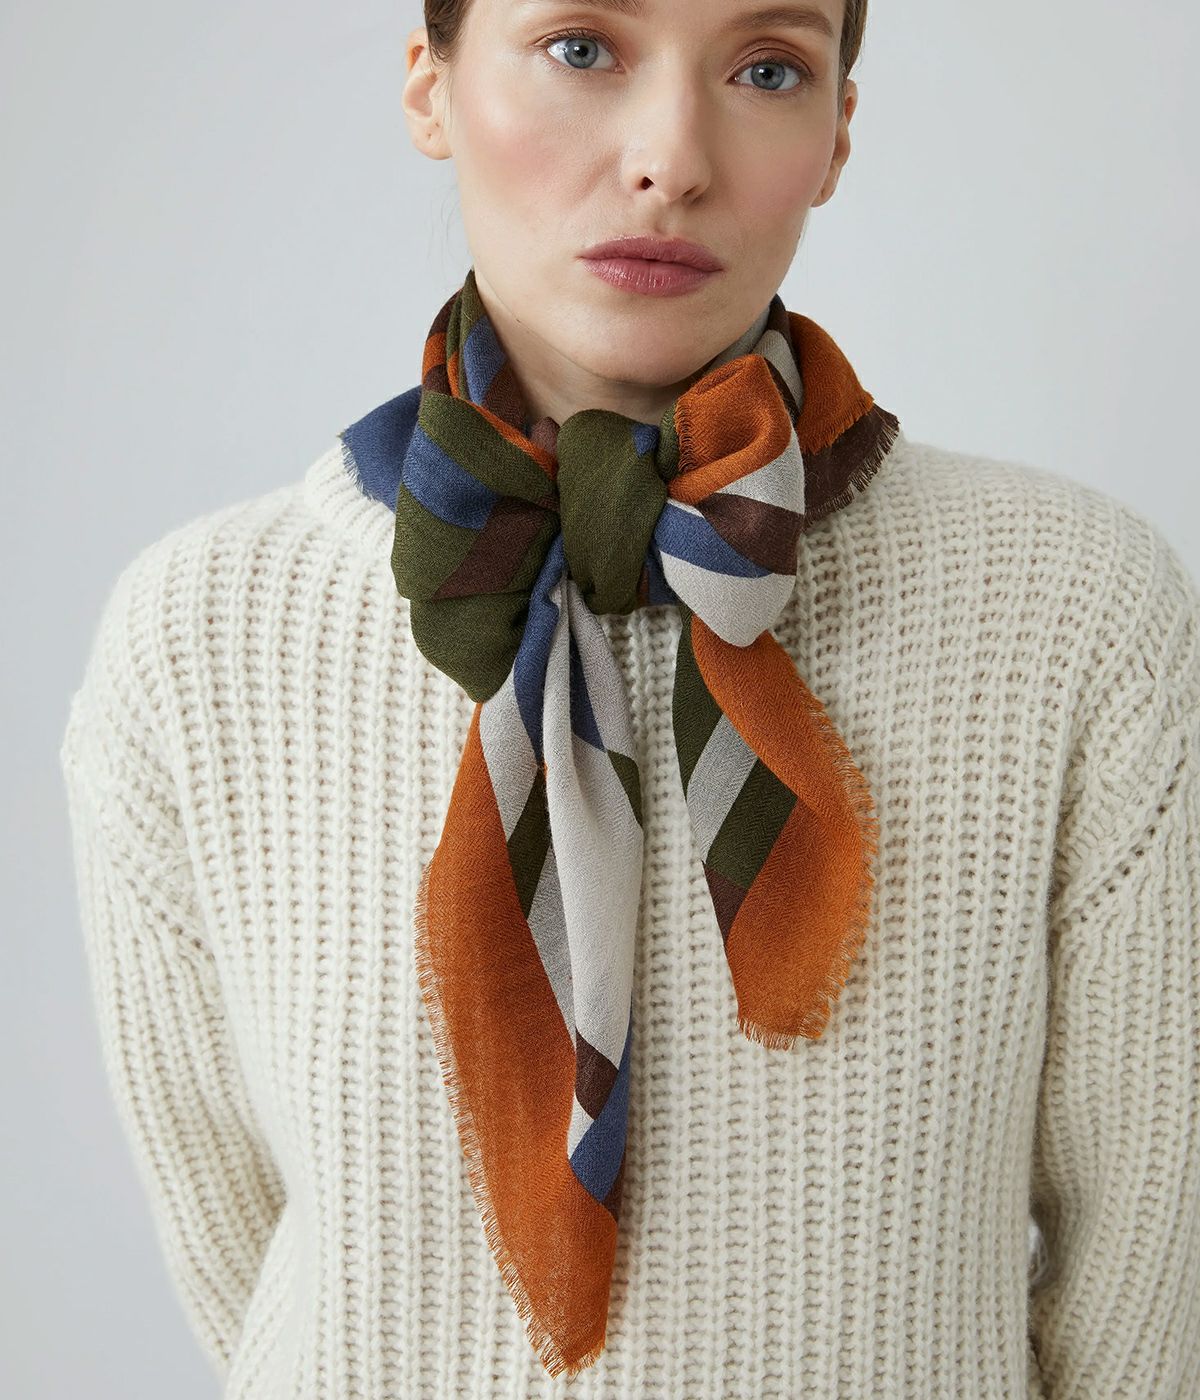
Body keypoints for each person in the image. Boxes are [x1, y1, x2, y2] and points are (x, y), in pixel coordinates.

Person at [58, 0, 1200, 1396]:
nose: (672, 157)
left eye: (768, 68)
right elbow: (251, 1263)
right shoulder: (200, 639)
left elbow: (1153, 1267)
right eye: (582, 47)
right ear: (430, 87)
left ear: (839, 131)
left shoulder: (1076, 613)